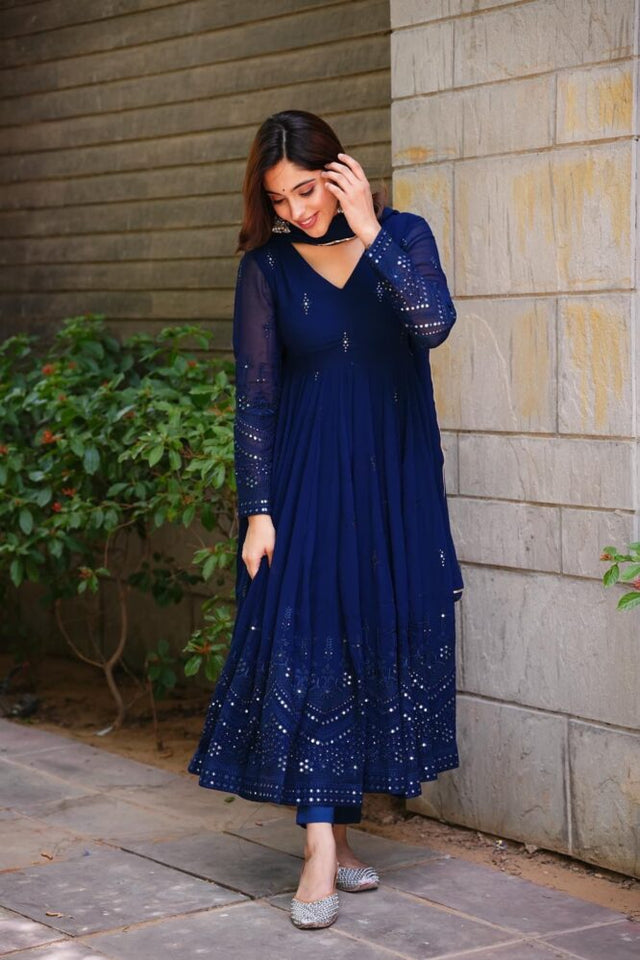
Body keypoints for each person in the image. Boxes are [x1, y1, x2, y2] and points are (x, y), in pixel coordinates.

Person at [188, 109, 463, 929]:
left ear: (340, 172)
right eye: (280, 200)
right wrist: (258, 511)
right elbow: (256, 399)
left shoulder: (403, 236)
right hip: (306, 484)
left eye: (306, 191)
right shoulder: (266, 269)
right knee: (310, 642)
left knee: (368, 637)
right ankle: (316, 850)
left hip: (394, 485)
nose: (297, 211)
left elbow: (433, 324)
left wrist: (369, 228)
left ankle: (339, 837)